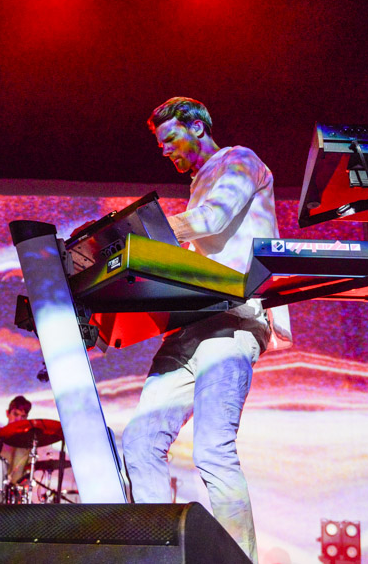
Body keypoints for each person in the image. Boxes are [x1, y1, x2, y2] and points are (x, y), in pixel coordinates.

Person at [121, 97, 291, 563]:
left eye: (170, 138)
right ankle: (162, 556)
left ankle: (240, 560)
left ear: (197, 127)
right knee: (138, 444)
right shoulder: (199, 183)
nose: (164, 151)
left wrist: (132, 239)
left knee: (213, 449)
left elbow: (212, 219)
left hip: (231, 320)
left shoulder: (239, 159)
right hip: (192, 325)